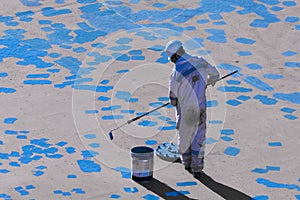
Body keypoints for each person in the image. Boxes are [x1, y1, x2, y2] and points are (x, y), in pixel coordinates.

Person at [165, 40, 220, 178]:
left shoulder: (176, 72)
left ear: (175, 56)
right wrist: (208, 82)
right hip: (200, 107)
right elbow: (215, 74)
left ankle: (187, 163)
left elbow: (173, 97)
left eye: (172, 59)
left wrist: (174, 101)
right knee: (199, 136)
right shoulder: (200, 61)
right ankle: (197, 168)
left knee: (184, 137)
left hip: (186, 111)